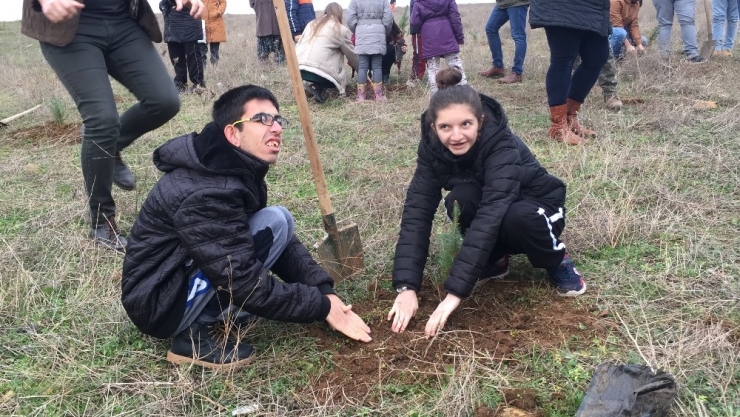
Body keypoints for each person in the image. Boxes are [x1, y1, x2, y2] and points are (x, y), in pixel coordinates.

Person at [122, 85, 373, 370]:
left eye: (278, 120)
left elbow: (275, 247)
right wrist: (321, 307)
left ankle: (214, 310)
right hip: (160, 304)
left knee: (277, 221)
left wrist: (321, 288)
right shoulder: (206, 192)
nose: (276, 128)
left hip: (179, 277)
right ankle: (193, 336)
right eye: (263, 119)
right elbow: (240, 278)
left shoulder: (232, 169)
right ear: (233, 134)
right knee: (271, 225)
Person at [387, 69, 586, 339]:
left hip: (537, 204)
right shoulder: (432, 150)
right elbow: (417, 212)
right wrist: (407, 287)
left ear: (479, 121)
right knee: (460, 200)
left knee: (518, 217)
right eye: (446, 127)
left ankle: (556, 259)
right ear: (434, 127)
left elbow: (492, 212)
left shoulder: (500, 143)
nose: (456, 135)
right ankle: (496, 258)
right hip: (495, 205)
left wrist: (454, 294)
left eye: (465, 125)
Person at [20, 0, 202, 252]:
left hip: (122, 21)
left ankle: (109, 147)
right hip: (71, 27)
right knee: (102, 120)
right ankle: (102, 221)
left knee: (165, 101)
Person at [529, 0, 610, 145]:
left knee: (597, 56)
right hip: (561, 6)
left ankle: (570, 118)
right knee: (563, 58)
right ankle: (558, 126)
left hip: (594, 8)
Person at [296, 2, 359, 103]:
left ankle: (316, 87)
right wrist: (364, 72)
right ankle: (316, 86)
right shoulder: (340, 29)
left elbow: (299, 44)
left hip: (299, 69)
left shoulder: (311, 24)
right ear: (340, 14)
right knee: (334, 81)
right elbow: (353, 56)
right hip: (318, 71)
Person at [410, 0, 467, 93]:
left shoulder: (418, 2)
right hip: (448, 35)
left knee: (433, 68)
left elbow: (414, 22)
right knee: (455, 63)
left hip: (429, 38)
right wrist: (459, 37)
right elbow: (455, 18)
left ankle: (436, 93)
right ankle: (463, 88)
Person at [347, 0, 394, 102]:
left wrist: (358, 30)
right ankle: (378, 95)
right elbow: (388, 19)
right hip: (378, 33)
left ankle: (361, 96)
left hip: (361, 33)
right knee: (377, 66)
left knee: (362, 67)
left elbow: (350, 19)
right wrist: (383, 31)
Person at [478, 0, 529, 84]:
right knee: (490, 29)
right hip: (502, 3)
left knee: (518, 35)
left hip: (517, 3)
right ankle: (498, 67)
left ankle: (517, 73)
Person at [161, 0, 205, 92]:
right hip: (172, 22)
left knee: (193, 56)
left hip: (189, 20)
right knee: (176, 57)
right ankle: (180, 83)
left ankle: (198, 84)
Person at [200, 0, 227, 65]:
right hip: (202, 23)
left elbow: (223, 2)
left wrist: (219, 12)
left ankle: (215, 68)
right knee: (201, 49)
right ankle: (202, 70)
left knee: (214, 50)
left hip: (216, 23)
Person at [408, 0, 427, 81]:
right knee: (419, 52)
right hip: (420, 30)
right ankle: (417, 75)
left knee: (420, 53)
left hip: (422, 29)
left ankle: (418, 75)